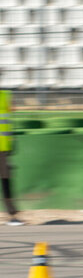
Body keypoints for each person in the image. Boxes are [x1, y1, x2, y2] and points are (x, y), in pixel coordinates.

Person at [0, 88, 19, 225]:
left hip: (3, 147)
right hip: (3, 147)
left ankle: (12, 215)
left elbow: (11, 112)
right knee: (5, 179)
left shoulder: (6, 95)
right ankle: (12, 215)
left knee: (6, 179)